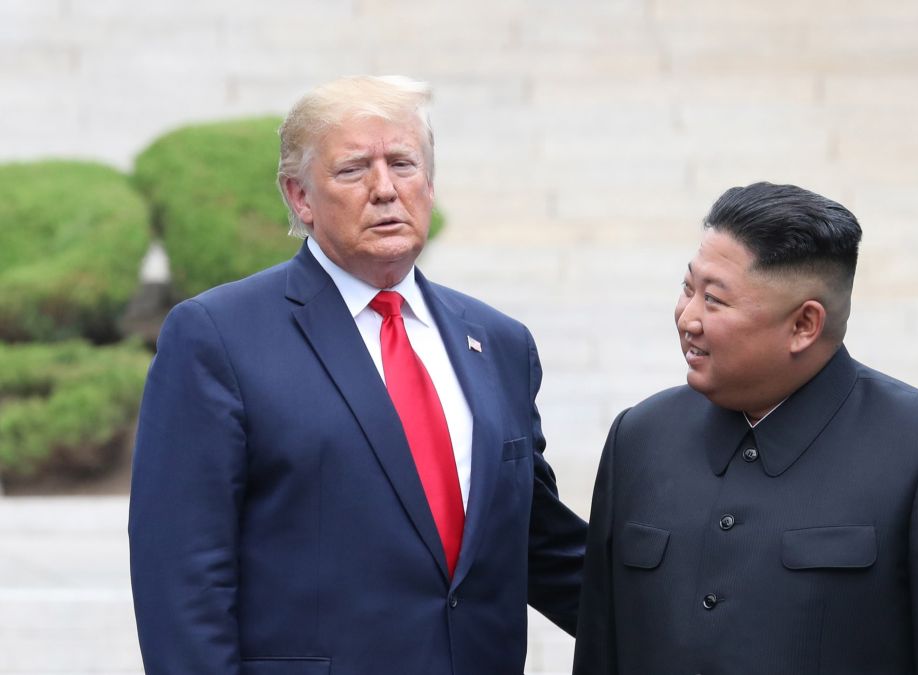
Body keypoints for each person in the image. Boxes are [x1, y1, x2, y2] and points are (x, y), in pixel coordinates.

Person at [129, 75, 586, 675]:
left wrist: (705, 616)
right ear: (299, 197)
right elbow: (182, 576)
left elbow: (538, 544)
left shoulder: (499, 343)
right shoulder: (218, 337)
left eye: (403, 163)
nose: (385, 189)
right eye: (352, 170)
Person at [573, 182, 918, 674]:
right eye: (688, 288)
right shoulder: (639, 439)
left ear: (804, 325)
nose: (689, 317)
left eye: (716, 300)